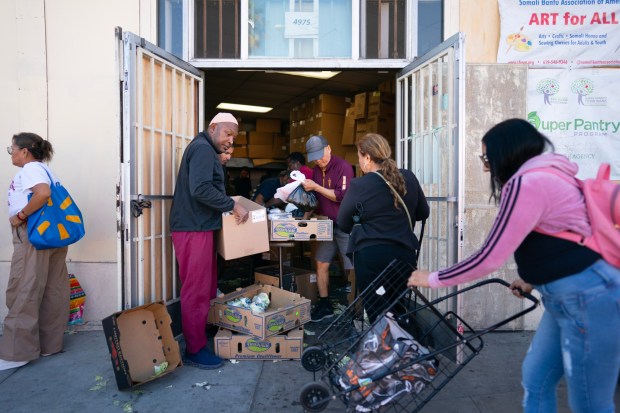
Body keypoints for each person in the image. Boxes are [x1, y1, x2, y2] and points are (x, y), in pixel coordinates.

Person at [407, 118, 620, 413]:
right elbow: (562, 236)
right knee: (536, 380)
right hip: (563, 299)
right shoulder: (545, 175)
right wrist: (532, 279)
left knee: (590, 403)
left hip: (588, 299)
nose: (485, 166)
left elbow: (489, 257)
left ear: (505, 152)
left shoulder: (527, 182)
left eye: (486, 157)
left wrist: (430, 277)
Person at [169, 112, 249, 370]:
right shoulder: (203, 149)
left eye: (233, 136)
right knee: (196, 289)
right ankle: (194, 349)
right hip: (193, 228)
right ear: (213, 127)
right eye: (227, 133)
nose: (229, 140)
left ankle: (200, 336)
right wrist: (231, 206)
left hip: (201, 226)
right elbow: (200, 189)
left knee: (206, 286)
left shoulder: (204, 149)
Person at [338, 133, 429, 321]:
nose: (360, 161)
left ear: (368, 158)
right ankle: (405, 346)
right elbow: (423, 213)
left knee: (378, 313)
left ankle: (384, 348)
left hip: (372, 259)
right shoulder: (409, 177)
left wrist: (360, 219)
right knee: (399, 309)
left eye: (359, 156)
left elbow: (343, 222)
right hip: (404, 257)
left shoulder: (360, 185)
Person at [1, 132, 70, 371]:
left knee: (23, 288)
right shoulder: (47, 170)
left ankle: (17, 353)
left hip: (33, 235)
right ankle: (50, 344)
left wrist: (20, 216)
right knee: (53, 289)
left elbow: (42, 193)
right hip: (52, 235)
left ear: (25, 151)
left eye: (12, 149)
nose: (12, 154)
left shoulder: (30, 170)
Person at [301, 135, 354, 322]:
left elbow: (341, 196)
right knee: (321, 263)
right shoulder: (316, 171)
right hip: (325, 225)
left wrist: (315, 186)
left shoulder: (344, 167)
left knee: (352, 267)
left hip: (345, 224)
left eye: (320, 155)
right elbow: (315, 200)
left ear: (329, 148)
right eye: (314, 157)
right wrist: (305, 219)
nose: (318, 160)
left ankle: (357, 306)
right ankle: (325, 304)